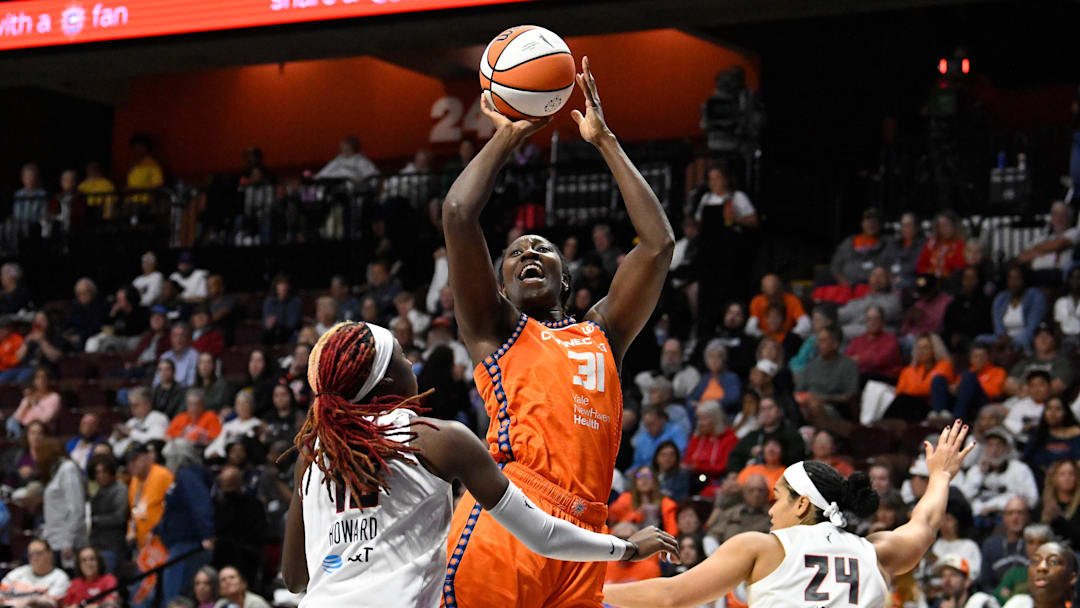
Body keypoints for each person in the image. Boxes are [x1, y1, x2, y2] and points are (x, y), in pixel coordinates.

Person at [434, 58, 676, 608]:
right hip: (510, 508)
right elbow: (457, 213)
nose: (528, 254)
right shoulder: (494, 327)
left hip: (585, 530)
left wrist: (605, 140)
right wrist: (509, 135)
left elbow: (658, 244)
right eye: (515, 253)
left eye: (541, 249)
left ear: (566, 278)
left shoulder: (603, 331)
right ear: (500, 285)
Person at [279, 321, 678, 607]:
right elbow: (541, 535)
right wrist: (626, 548)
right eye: (402, 356)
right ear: (384, 382)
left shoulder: (312, 454)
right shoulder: (438, 439)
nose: (412, 363)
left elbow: (296, 578)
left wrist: (353, 552)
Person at [602, 421, 975, 607]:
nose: (770, 508)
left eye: (777, 497)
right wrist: (940, 474)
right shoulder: (877, 551)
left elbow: (672, 595)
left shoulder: (762, 547)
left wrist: (590, 593)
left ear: (801, 504)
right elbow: (925, 525)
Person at [157, 439, 214, 602]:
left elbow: (201, 504)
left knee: (175, 596)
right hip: (178, 544)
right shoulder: (182, 475)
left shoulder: (188, 474)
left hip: (187, 544)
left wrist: (207, 534)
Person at [960, 427, 1039, 519]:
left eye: (999, 445)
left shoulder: (1020, 469)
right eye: (990, 445)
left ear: (1008, 448)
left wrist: (999, 507)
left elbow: (1032, 499)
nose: (994, 450)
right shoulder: (975, 471)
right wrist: (980, 474)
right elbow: (964, 499)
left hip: (1008, 516)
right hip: (978, 517)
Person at [37, 437, 87, 569]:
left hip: (69, 544)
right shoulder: (55, 472)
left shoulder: (68, 469)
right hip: (55, 542)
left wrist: (68, 541)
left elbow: (76, 509)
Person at [794, 326, 859, 424]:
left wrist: (822, 398)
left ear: (835, 344)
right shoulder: (811, 365)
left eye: (823, 341)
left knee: (815, 405)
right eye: (818, 341)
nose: (818, 344)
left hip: (836, 410)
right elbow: (799, 391)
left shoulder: (849, 365)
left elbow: (850, 396)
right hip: (807, 406)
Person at [883, 333, 955, 422]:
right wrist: (917, 390)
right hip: (913, 404)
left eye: (925, 348)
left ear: (934, 350)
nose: (921, 351)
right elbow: (899, 391)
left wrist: (912, 389)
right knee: (902, 400)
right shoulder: (909, 370)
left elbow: (930, 388)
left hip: (932, 406)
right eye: (919, 348)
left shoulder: (945, 365)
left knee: (904, 399)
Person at [725, 397, 805, 474]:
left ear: (779, 411)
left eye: (770, 408)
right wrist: (735, 472)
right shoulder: (752, 436)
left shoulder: (792, 435)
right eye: (762, 409)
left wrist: (767, 453)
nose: (766, 412)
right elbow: (734, 457)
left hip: (781, 477)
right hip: (752, 477)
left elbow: (797, 461)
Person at [930, 343, 1006, 422]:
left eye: (982, 356)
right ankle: (939, 413)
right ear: (971, 359)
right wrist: (955, 388)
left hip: (983, 403)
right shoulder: (966, 373)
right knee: (938, 379)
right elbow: (957, 388)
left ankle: (957, 418)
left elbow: (995, 391)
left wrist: (971, 386)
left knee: (969, 377)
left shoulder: (998, 371)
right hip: (965, 401)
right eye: (976, 356)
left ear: (988, 358)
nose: (979, 359)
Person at [986, 265, 1046, 352]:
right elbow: (997, 325)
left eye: (1017, 278)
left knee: (1020, 340)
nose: (1013, 283)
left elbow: (1032, 327)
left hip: (1026, 336)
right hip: (1004, 337)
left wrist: (1011, 341)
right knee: (980, 340)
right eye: (1010, 279)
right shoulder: (1001, 298)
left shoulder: (1035, 296)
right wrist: (1002, 336)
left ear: (1024, 280)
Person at [1000, 542, 1077, 608]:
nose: (1041, 567)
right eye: (1035, 561)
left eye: (1053, 562)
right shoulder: (1018, 604)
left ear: (1072, 578)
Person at [704, 474, 771, 550]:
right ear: (744, 492)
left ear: (767, 493)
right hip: (729, 557)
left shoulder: (774, 516)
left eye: (760, 490)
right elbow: (713, 535)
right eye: (751, 490)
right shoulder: (731, 513)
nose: (756, 494)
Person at [979, 497, 1032, 593]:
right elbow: (985, 582)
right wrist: (998, 595)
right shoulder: (990, 545)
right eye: (1010, 513)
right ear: (1004, 518)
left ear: (1027, 516)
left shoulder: (1034, 543)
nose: (1015, 517)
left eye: (1019, 513)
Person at [0, 539, 70, 608]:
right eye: (31, 554)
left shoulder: (60, 577)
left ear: (50, 553)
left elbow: (48, 604)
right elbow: (1, 592)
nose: (34, 557)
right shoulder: (19, 572)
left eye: (38, 553)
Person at [609, 466, 679, 535]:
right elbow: (613, 521)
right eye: (640, 476)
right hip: (629, 540)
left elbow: (672, 532)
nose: (644, 480)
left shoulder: (666, 503)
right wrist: (636, 515)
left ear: (655, 481)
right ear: (635, 482)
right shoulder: (625, 498)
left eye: (648, 476)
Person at [88, 454, 128, 574]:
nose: (101, 475)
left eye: (104, 471)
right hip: (95, 545)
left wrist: (94, 520)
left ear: (111, 471)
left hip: (112, 545)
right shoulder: (96, 491)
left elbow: (120, 517)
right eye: (97, 472)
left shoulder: (120, 489)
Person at [1007, 324, 1072, 398]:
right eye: (1038, 336)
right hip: (1019, 400)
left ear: (1054, 340)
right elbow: (1008, 385)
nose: (1042, 339)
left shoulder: (1062, 363)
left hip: (1047, 403)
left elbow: (1057, 386)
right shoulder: (1025, 362)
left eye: (1047, 336)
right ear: (1034, 340)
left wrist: (1028, 391)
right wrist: (1026, 390)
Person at [837, 266, 903, 338]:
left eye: (881, 276)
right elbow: (840, 315)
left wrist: (856, 314)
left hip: (881, 333)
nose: (877, 279)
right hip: (854, 330)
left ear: (888, 280)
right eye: (874, 275)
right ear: (869, 279)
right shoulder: (858, 301)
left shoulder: (893, 300)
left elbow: (877, 317)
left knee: (839, 333)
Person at [683, 401, 737, 488]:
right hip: (692, 478)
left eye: (704, 419)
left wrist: (697, 466)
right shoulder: (696, 437)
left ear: (716, 419)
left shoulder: (729, 439)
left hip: (716, 481)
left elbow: (722, 467)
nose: (700, 423)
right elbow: (687, 461)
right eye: (698, 419)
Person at [844, 306, 903, 381]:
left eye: (876, 319)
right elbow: (846, 359)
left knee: (865, 376)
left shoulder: (891, 340)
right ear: (865, 321)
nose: (872, 322)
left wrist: (859, 359)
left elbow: (879, 361)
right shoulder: (857, 340)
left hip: (884, 379)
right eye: (869, 319)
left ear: (882, 321)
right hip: (861, 378)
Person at [830, 208, 886, 288]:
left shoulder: (886, 244)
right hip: (848, 287)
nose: (871, 224)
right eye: (868, 221)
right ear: (862, 223)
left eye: (875, 222)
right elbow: (835, 266)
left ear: (880, 225)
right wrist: (844, 283)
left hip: (872, 288)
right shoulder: (849, 242)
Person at [944, 266, 995, 352]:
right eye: (966, 278)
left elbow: (987, 327)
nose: (969, 282)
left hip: (976, 339)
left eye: (972, 278)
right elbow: (947, 324)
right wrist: (952, 335)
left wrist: (966, 336)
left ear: (978, 280)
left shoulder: (986, 302)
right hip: (956, 340)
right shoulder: (955, 302)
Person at [746, 275, 811, 340]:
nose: (773, 299)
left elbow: (806, 325)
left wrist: (788, 337)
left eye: (775, 294)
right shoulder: (757, 301)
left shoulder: (791, 300)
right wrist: (763, 336)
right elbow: (750, 328)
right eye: (769, 296)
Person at [1023, 397, 1080, 469]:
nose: (1052, 413)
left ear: (1066, 412)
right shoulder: (1038, 435)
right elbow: (1026, 460)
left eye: (1058, 409)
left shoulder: (1076, 434)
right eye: (1049, 408)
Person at [7, 367, 61, 437]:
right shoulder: (29, 397)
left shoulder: (54, 397)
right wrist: (27, 405)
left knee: (34, 430)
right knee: (10, 421)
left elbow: (45, 419)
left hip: (42, 431)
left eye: (43, 377)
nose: (41, 380)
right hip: (24, 429)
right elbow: (16, 417)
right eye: (38, 377)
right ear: (34, 381)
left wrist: (35, 404)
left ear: (49, 380)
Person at [935, 554, 1000, 608]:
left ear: (967, 581)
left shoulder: (980, 601)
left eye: (953, 575)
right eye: (943, 576)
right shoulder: (939, 605)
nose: (947, 580)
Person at [917, 211, 966, 278]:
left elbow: (959, 267)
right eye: (940, 226)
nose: (943, 229)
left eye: (946, 225)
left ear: (954, 226)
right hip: (930, 280)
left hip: (950, 281)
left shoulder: (960, 245)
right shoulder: (931, 243)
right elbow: (921, 265)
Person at [314, 135, 379, 184]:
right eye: (342, 148)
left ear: (352, 148)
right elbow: (321, 175)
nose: (343, 150)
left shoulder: (361, 161)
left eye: (346, 148)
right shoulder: (337, 160)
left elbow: (373, 177)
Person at [263, 274, 302, 345]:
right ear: (276, 287)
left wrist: (277, 321)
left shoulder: (295, 302)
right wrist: (269, 324)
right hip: (272, 333)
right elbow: (266, 322)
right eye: (280, 285)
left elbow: (292, 324)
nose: (283, 288)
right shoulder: (269, 302)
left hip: (289, 333)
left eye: (284, 285)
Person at [1054, 266, 1080, 353]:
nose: (1075, 281)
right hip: (1066, 339)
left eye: (1078, 278)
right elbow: (1058, 327)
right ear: (1068, 280)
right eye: (1073, 278)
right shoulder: (1061, 302)